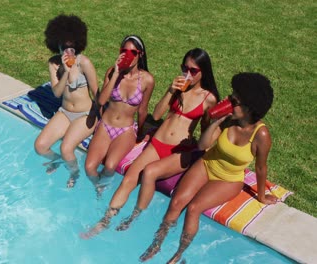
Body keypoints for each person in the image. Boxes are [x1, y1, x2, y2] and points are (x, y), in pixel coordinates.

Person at [139, 72, 278, 263]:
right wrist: (215, 123)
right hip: (206, 163)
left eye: (235, 100)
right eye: (231, 96)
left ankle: (178, 255)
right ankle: (157, 243)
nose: (229, 101)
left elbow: (261, 168)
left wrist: (261, 196)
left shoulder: (261, 135)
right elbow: (202, 146)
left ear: (249, 108)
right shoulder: (229, 120)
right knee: (177, 201)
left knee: (194, 208)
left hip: (229, 178)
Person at [81, 48, 219, 238]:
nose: (187, 73)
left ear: (203, 71)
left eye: (193, 71)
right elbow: (156, 115)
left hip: (180, 149)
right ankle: (105, 220)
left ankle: (133, 218)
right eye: (184, 68)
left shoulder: (209, 99)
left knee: (149, 173)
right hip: (157, 142)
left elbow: (205, 131)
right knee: (129, 178)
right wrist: (171, 90)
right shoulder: (178, 88)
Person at [34, 14, 99, 188]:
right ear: (57, 45)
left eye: (72, 47)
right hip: (64, 112)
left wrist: (100, 117)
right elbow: (56, 93)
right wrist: (65, 71)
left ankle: (74, 173)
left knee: (66, 148)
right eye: (64, 47)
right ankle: (57, 161)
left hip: (85, 114)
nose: (68, 51)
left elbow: (97, 92)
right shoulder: (54, 63)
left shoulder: (84, 62)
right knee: (40, 146)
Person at [84, 35, 155, 194]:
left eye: (133, 52)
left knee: (110, 166)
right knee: (89, 167)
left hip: (125, 130)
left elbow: (143, 110)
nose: (128, 55)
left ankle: (101, 190)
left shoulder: (147, 80)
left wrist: (141, 134)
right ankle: (99, 188)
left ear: (140, 54)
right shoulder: (112, 71)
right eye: (124, 51)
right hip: (105, 126)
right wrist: (116, 73)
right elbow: (101, 101)